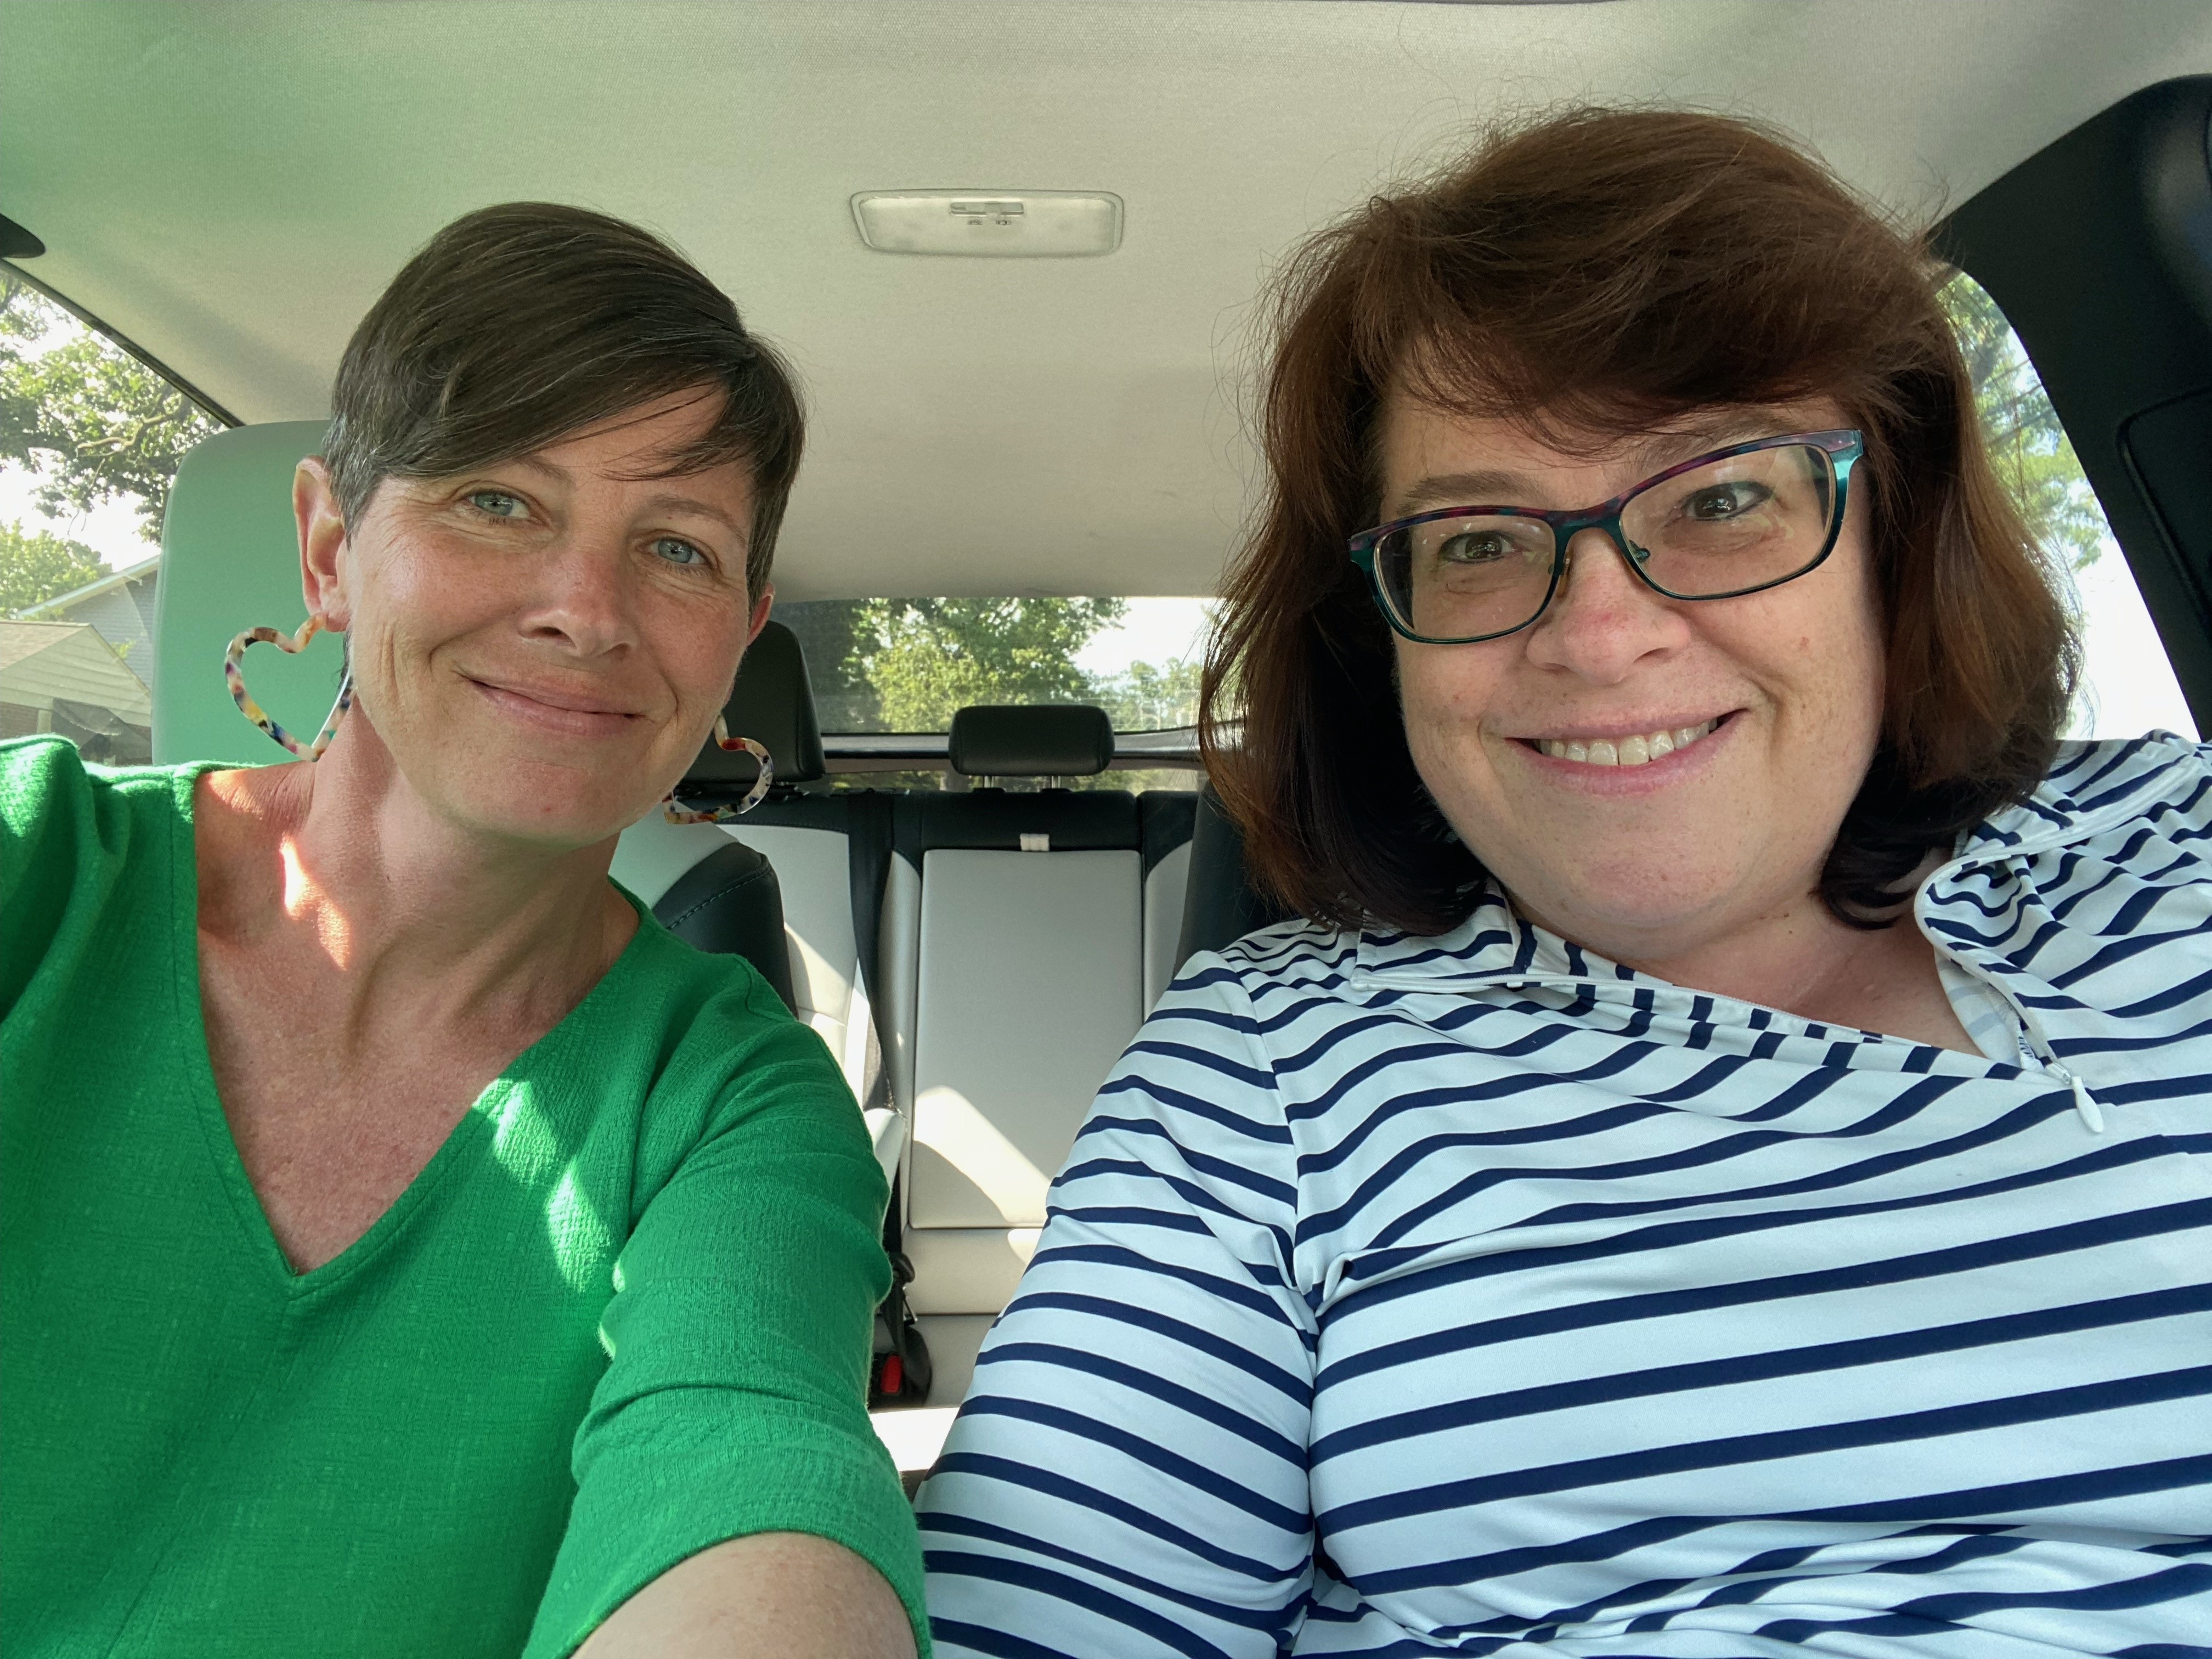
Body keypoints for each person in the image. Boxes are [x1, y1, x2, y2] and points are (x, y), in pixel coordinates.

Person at [916, 109, 2211, 1654]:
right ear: (1382, 632)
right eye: (1478, 540)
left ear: (1897, 538)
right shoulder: (1266, 1071)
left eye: (1721, 499)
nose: (1600, 637)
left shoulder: (2178, 848)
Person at [1, 204, 923, 1658]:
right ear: (328, 547)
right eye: (497, 501)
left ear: (739, 640)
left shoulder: (729, 1100)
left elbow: (750, 1452)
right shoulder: (34, 867)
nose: (586, 611)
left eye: (676, 549)